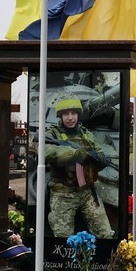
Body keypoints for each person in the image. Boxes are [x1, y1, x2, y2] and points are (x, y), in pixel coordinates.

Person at [44, 98, 113, 238]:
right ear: (60, 116)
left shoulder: (86, 134)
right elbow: (46, 152)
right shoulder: (52, 134)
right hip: (63, 193)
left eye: (73, 113)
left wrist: (99, 160)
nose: (70, 118)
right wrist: (74, 153)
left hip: (86, 191)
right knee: (63, 238)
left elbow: (99, 153)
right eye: (66, 114)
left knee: (105, 234)